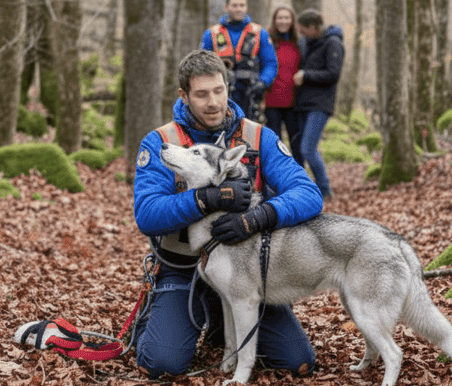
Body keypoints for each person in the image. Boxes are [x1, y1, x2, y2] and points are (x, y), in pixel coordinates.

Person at [132, 49, 321, 379]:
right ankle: (159, 317)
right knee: (161, 364)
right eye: (202, 94)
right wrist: (205, 199)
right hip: (182, 269)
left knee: (298, 362)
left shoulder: (258, 137)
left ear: (227, 87)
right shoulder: (162, 142)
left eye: (219, 91)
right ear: (184, 96)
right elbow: (147, 214)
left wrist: (258, 217)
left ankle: (223, 323)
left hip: (245, 269)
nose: (213, 102)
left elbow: (308, 194)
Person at [201, 0, 278, 121]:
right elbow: (202, 63)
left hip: (251, 91)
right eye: (235, 5)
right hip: (221, 91)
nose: (238, 9)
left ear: (246, 7)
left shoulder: (260, 33)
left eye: (242, 5)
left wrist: (263, 82)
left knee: (250, 130)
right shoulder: (212, 34)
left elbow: (271, 63)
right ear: (226, 7)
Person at [293, 10, 343, 199]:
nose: (301, 34)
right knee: (300, 147)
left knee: (308, 149)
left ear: (314, 27)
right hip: (304, 103)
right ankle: (304, 188)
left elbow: (333, 73)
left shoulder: (333, 43)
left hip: (320, 105)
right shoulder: (307, 43)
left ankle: (324, 189)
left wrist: (306, 75)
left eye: (303, 30)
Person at [263, 5, 302, 164]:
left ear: (292, 21)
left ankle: (300, 176)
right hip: (272, 101)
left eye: (287, 18)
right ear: (274, 20)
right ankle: (276, 177)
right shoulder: (267, 40)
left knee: (296, 142)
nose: (283, 21)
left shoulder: (299, 42)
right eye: (280, 17)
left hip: (295, 101)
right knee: (275, 142)